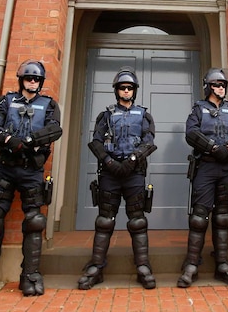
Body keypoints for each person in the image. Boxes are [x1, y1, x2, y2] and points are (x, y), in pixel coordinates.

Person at [0, 60, 62, 298]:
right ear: (21, 80)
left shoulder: (48, 104)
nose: (32, 82)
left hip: (31, 170)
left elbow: (55, 130)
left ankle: (29, 276)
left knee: (34, 221)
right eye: (28, 78)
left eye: (36, 79)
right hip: (5, 168)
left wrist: (29, 141)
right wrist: (9, 140)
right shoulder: (6, 101)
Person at [78, 67, 157, 290]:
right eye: (122, 88)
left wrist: (132, 159)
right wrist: (109, 162)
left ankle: (143, 266)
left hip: (134, 174)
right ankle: (96, 266)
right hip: (110, 174)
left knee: (138, 221)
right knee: (104, 221)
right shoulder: (106, 115)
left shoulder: (144, 114)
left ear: (134, 91)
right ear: (116, 91)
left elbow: (149, 141)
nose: (126, 91)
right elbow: (95, 142)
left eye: (129, 88)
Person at [177, 68, 228, 288]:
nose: (221, 88)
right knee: (199, 217)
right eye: (217, 85)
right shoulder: (199, 109)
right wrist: (211, 147)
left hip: (227, 167)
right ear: (208, 86)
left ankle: (223, 265)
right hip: (206, 167)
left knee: (222, 217)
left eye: (223, 85)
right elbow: (191, 133)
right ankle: (191, 265)